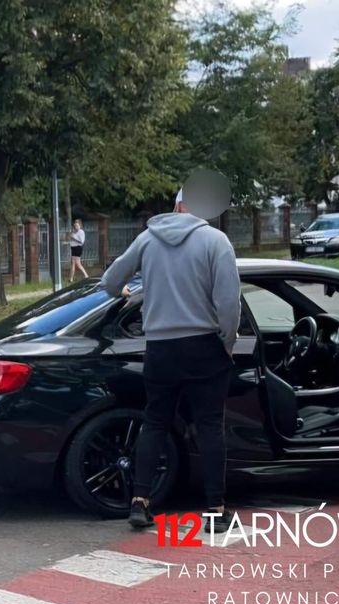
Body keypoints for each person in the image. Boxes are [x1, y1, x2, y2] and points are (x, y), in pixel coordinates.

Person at [101, 179, 240, 534]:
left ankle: (140, 501)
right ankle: (215, 508)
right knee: (209, 426)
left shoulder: (147, 240)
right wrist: (228, 340)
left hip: (160, 348)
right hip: (204, 345)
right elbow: (229, 302)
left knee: (155, 422)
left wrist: (124, 290)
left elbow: (109, 281)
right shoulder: (216, 241)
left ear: (177, 205)